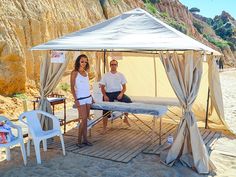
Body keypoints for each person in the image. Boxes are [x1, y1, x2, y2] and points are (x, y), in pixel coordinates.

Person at [100, 59, 132, 133]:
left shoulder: (120, 75)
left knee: (128, 101)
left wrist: (121, 94)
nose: (113, 66)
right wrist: (105, 95)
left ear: (117, 66)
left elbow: (124, 88)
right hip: (108, 93)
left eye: (115, 64)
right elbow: (102, 87)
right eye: (112, 64)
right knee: (105, 109)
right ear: (110, 65)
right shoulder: (106, 75)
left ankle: (125, 119)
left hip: (118, 92)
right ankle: (104, 127)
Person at [70, 54, 93, 148]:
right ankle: (78, 141)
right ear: (78, 61)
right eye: (82, 61)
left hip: (88, 98)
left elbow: (87, 86)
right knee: (83, 120)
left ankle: (85, 140)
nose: (84, 63)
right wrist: (75, 99)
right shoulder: (74, 72)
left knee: (86, 119)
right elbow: (72, 87)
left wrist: (92, 97)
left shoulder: (86, 72)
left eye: (85, 61)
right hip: (80, 99)